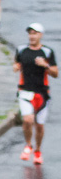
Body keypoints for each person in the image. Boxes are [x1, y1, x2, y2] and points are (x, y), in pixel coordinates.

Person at [14, 22, 58, 165]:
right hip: (25, 91)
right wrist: (16, 66)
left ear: (40, 35)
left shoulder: (47, 52)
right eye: (30, 33)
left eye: (35, 33)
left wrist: (45, 65)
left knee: (39, 125)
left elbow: (55, 73)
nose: (32, 36)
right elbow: (16, 63)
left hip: (42, 93)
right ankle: (28, 145)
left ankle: (38, 150)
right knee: (28, 120)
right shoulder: (21, 50)